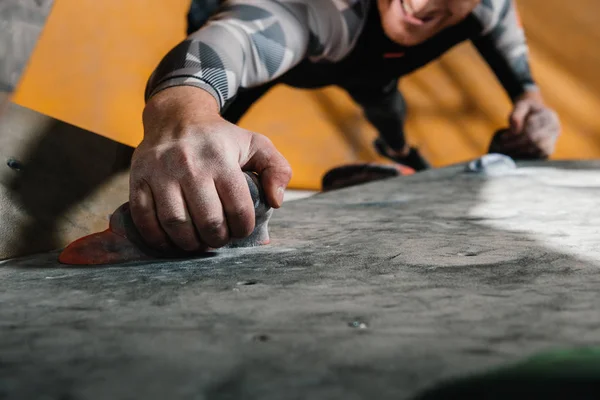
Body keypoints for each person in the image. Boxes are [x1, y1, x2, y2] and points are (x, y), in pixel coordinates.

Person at [129, 0, 561, 253]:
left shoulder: (490, 7)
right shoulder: (328, 10)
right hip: (289, 37)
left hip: (372, 70)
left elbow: (526, 88)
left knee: (388, 112)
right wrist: (185, 114)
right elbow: (237, 39)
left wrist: (535, 112)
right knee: (207, 144)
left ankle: (400, 152)